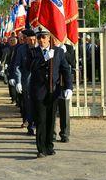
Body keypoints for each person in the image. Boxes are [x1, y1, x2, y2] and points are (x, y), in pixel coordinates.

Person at [27, 28, 72, 158]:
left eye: (44, 37)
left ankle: (49, 145)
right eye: (39, 37)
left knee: (51, 120)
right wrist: (44, 59)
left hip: (53, 91)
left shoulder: (58, 52)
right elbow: (29, 66)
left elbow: (65, 70)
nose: (41, 40)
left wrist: (69, 87)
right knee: (41, 120)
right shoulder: (33, 52)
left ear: (49, 38)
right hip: (39, 92)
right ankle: (41, 148)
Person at [9, 29, 37, 136]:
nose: (31, 41)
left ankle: (39, 124)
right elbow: (17, 66)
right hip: (27, 82)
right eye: (28, 39)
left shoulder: (39, 48)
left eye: (33, 39)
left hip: (39, 82)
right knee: (28, 105)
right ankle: (30, 125)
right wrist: (18, 81)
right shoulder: (21, 49)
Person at [53, 38, 76, 143]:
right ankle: (51, 134)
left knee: (64, 111)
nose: (55, 39)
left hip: (64, 84)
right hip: (52, 85)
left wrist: (63, 52)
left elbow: (73, 63)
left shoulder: (69, 48)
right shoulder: (49, 49)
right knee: (51, 111)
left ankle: (65, 134)